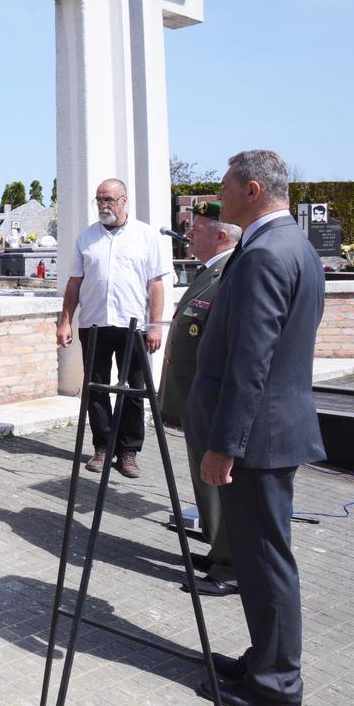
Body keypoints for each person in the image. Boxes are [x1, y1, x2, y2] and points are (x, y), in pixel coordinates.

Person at [189, 150, 325, 706]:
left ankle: (277, 684)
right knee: (256, 555)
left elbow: (252, 363)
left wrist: (225, 446)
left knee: (266, 560)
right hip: (268, 432)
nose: (218, 196)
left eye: (224, 186)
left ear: (250, 189)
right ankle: (263, 657)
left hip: (259, 439)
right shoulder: (286, 243)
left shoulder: (268, 253)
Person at [56, 178, 171, 479]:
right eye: (99, 200)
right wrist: (66, 320)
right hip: (94, 324)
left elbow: (156, 285)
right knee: (95, 388)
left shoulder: (145, 235)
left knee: (133, 389)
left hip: (133, 326)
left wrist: (156, 326)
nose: (104, 205)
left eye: (109, 199)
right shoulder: (86, 238)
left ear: (124, 201)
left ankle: (128, 452)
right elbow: (74, 284)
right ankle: (103, 447)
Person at [158, 202, 241, 597]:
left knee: (219, 483)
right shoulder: (210, 272)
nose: (188, 236)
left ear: (222, 235)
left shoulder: (230, 274)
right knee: (204, 483)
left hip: (210, 399)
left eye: (197, 230)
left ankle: (231, 566)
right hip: (195, 399)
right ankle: (217, 548)